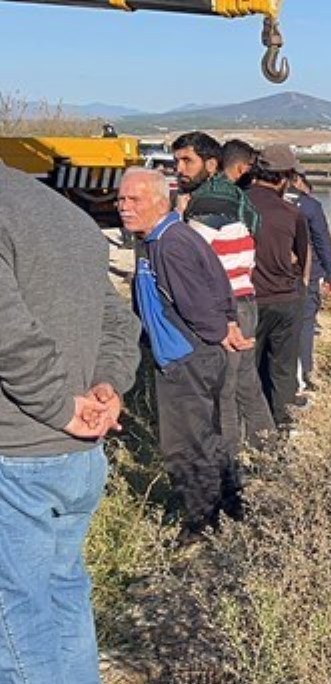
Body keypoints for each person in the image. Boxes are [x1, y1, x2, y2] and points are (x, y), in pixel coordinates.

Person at [0, 161, 140, 684]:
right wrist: (108, 388)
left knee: (14, 612)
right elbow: (121, 323)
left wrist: (60, 402)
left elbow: (9, 337)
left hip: (18, 454)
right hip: (76, 457)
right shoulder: (69, 217)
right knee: (61, 593)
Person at [117, 168, 239, 541]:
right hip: (190, 355)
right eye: (120, 199)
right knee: (206, 435)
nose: (123, 207)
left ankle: (200, 522)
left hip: (187, 359)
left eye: (133, 200)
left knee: (185, 444)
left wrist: (219, 331)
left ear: (158, 200)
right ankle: (228, 504)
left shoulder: (171, 243)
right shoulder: (162, 238)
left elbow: (201, 302)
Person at [173, 132, 275, 465]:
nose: (179, 169)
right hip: (246, 299)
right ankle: (269, 453)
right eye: (176, 161)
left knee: (223, 390)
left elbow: (188, 262)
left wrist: (178, 219)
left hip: (225, 306)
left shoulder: (207, 204)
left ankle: (229, 470)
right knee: (247, 383)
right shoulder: (236, 197)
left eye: (187, 161)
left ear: (212, 163)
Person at [244, 145, 310, 428]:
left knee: (247, 370)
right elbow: (304, 260)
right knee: (282, 370)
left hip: (248, 301)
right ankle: (280, 429)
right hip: (286, 300)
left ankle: (250, 432)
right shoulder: (292, 213)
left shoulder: (239, 204)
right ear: (284, 177)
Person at [289, 171, 331, 392]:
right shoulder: (309, 207)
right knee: (305, 323)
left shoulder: (257, 201)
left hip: (271, 275)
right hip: (308, 273)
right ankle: (304, 373)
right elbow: (322, 241)